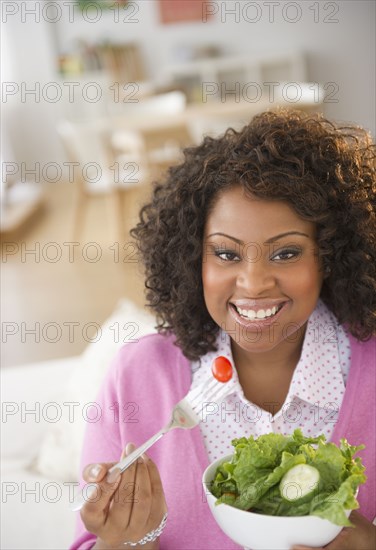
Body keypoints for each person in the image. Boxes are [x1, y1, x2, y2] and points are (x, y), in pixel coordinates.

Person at [70, 109, 375, 550]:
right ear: (194, 259)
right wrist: (127, 543)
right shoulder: (138, 376)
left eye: (286, 253)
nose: (253, 283)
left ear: (331, 255)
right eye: (227, 255)